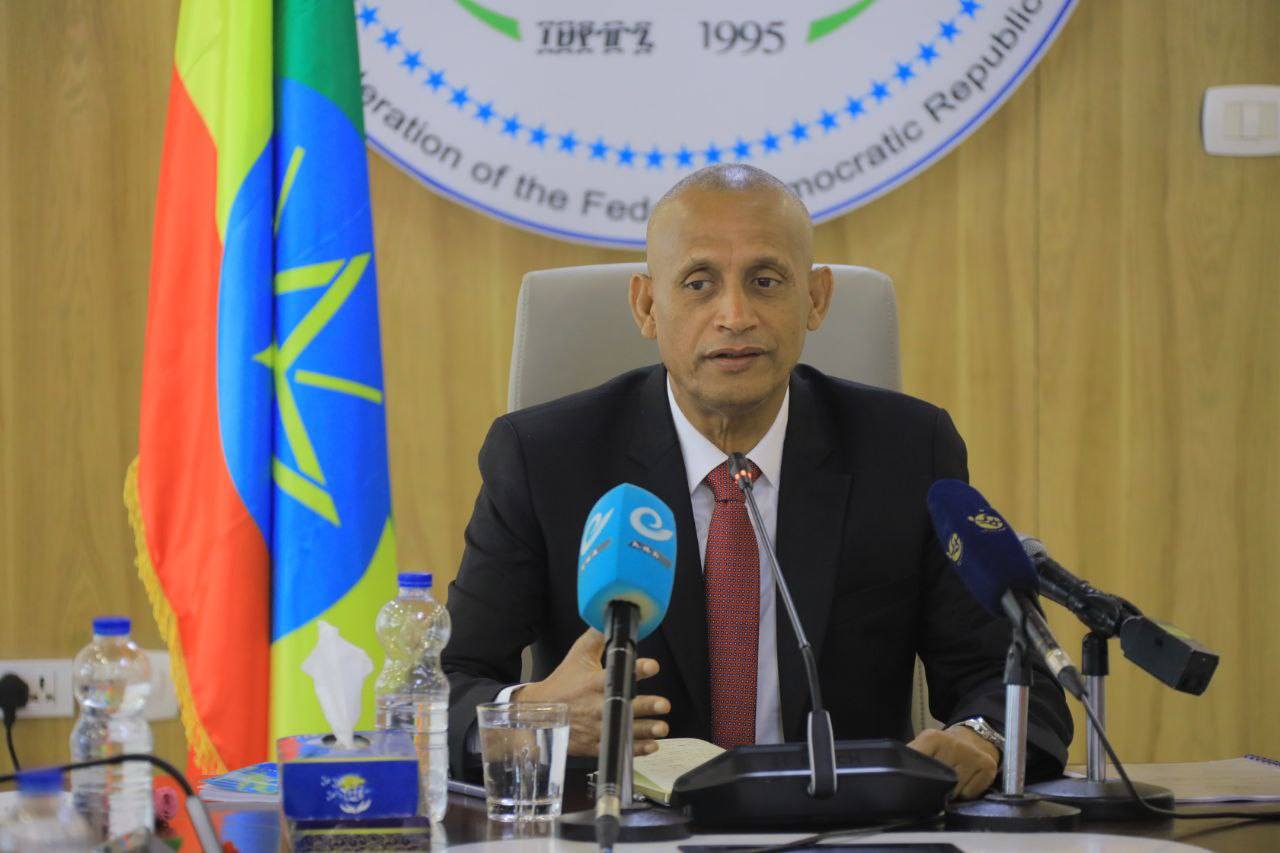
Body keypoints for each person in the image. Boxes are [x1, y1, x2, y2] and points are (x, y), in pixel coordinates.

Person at [442, 164, 1072, 799]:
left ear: (815, 298)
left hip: (845, 828)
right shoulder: (545, 459)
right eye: (699, 283)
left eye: (766, 281)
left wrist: (980, 737)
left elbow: (1015, 679)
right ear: (647, 306)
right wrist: (532, 717)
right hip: (626, 828)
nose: (735, 315)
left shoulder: (906, 451)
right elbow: (447, 681)